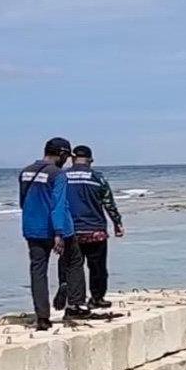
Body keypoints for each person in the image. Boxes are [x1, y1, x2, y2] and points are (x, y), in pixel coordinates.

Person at [19, 137, 88, 329]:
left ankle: (42, 317)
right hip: (59, 229)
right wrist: (58, 232)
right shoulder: (58, 174)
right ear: (63, 154)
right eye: (67, 157)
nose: (67, 161)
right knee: (74, 262)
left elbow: (22, 201)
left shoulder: (25, 172)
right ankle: (75, 304)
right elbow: (58, 205)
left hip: (32, 228)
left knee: (38, 271)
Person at [59, 144, 125, 309]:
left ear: (72, 159)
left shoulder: (62, 177)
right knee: (97, 267)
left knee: (72, 266)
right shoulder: (98, 178)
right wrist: (117, 223)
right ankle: (97, 298)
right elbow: (109, 203)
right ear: (90, 160)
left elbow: (55, 203)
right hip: (95, 230)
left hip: (71, 230)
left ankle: (73, 300)